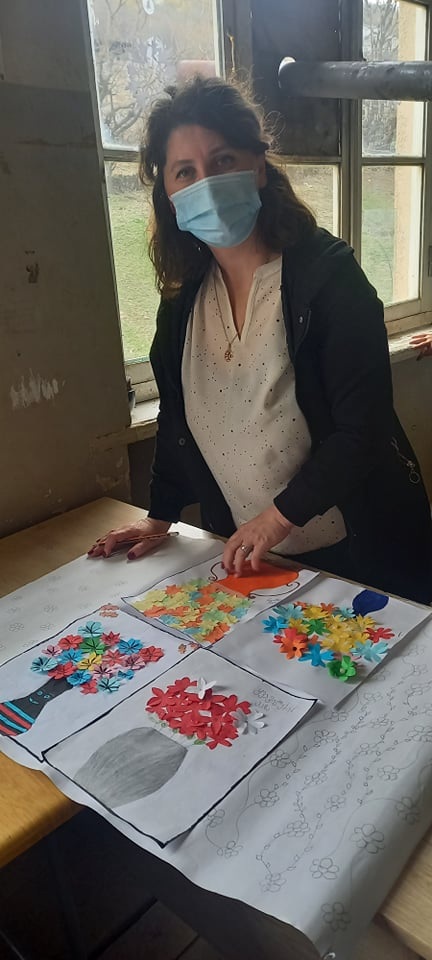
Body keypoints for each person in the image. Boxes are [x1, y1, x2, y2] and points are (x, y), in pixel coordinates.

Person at [89, 77, 432, 605]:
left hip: (356, 553)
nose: (206, 183)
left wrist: (276, 518)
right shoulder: (182, 301)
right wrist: (159, 516)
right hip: (250, 556)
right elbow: (177, 420)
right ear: (170, 197)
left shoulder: (329, 278)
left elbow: (360, 431)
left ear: (258, 167)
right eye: (185, 172)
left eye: (223, 160)